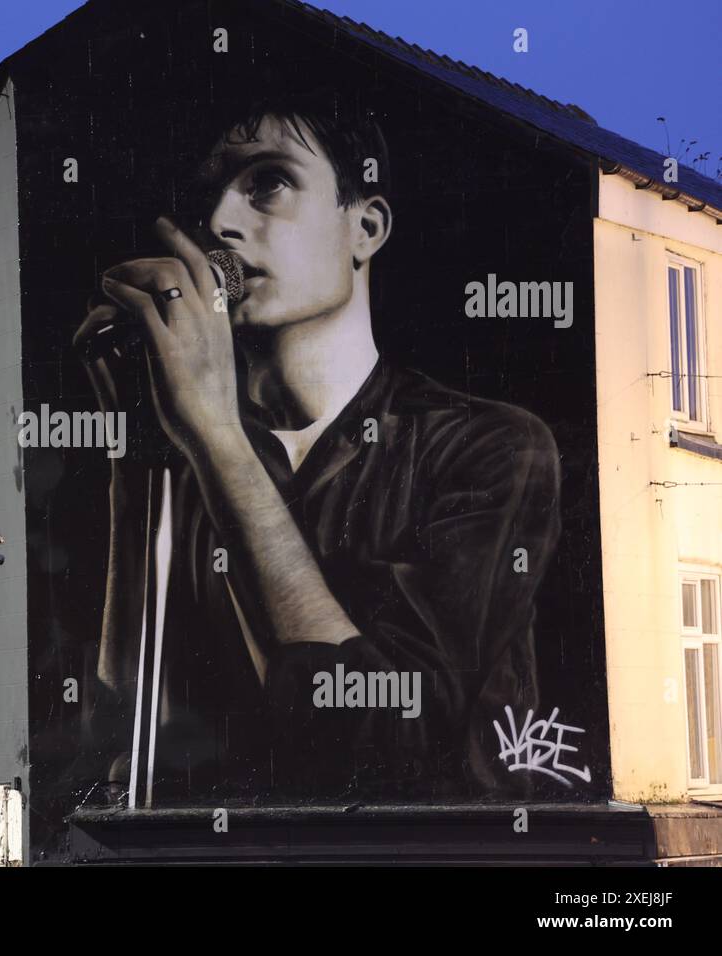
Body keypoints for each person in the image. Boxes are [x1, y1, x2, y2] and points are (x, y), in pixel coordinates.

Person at [75, 93, 562, 803]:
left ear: (365, 226)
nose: (219, 223)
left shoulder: (487, 445)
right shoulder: (198, 450)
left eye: (267, 181)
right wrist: (137, 465)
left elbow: (383, 736)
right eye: (206, 195)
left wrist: (214, 438)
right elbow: (123, 740)